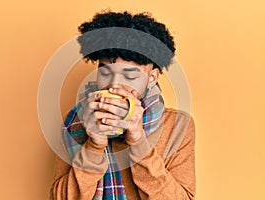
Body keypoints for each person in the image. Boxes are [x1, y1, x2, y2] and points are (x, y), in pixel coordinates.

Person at [50, 11, 195, 200]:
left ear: (152, 78)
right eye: (105, 72)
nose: (114, 85)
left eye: (130, 75)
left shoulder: (178, 125)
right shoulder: (75, 122)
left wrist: (138, 142)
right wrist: (93, 146)